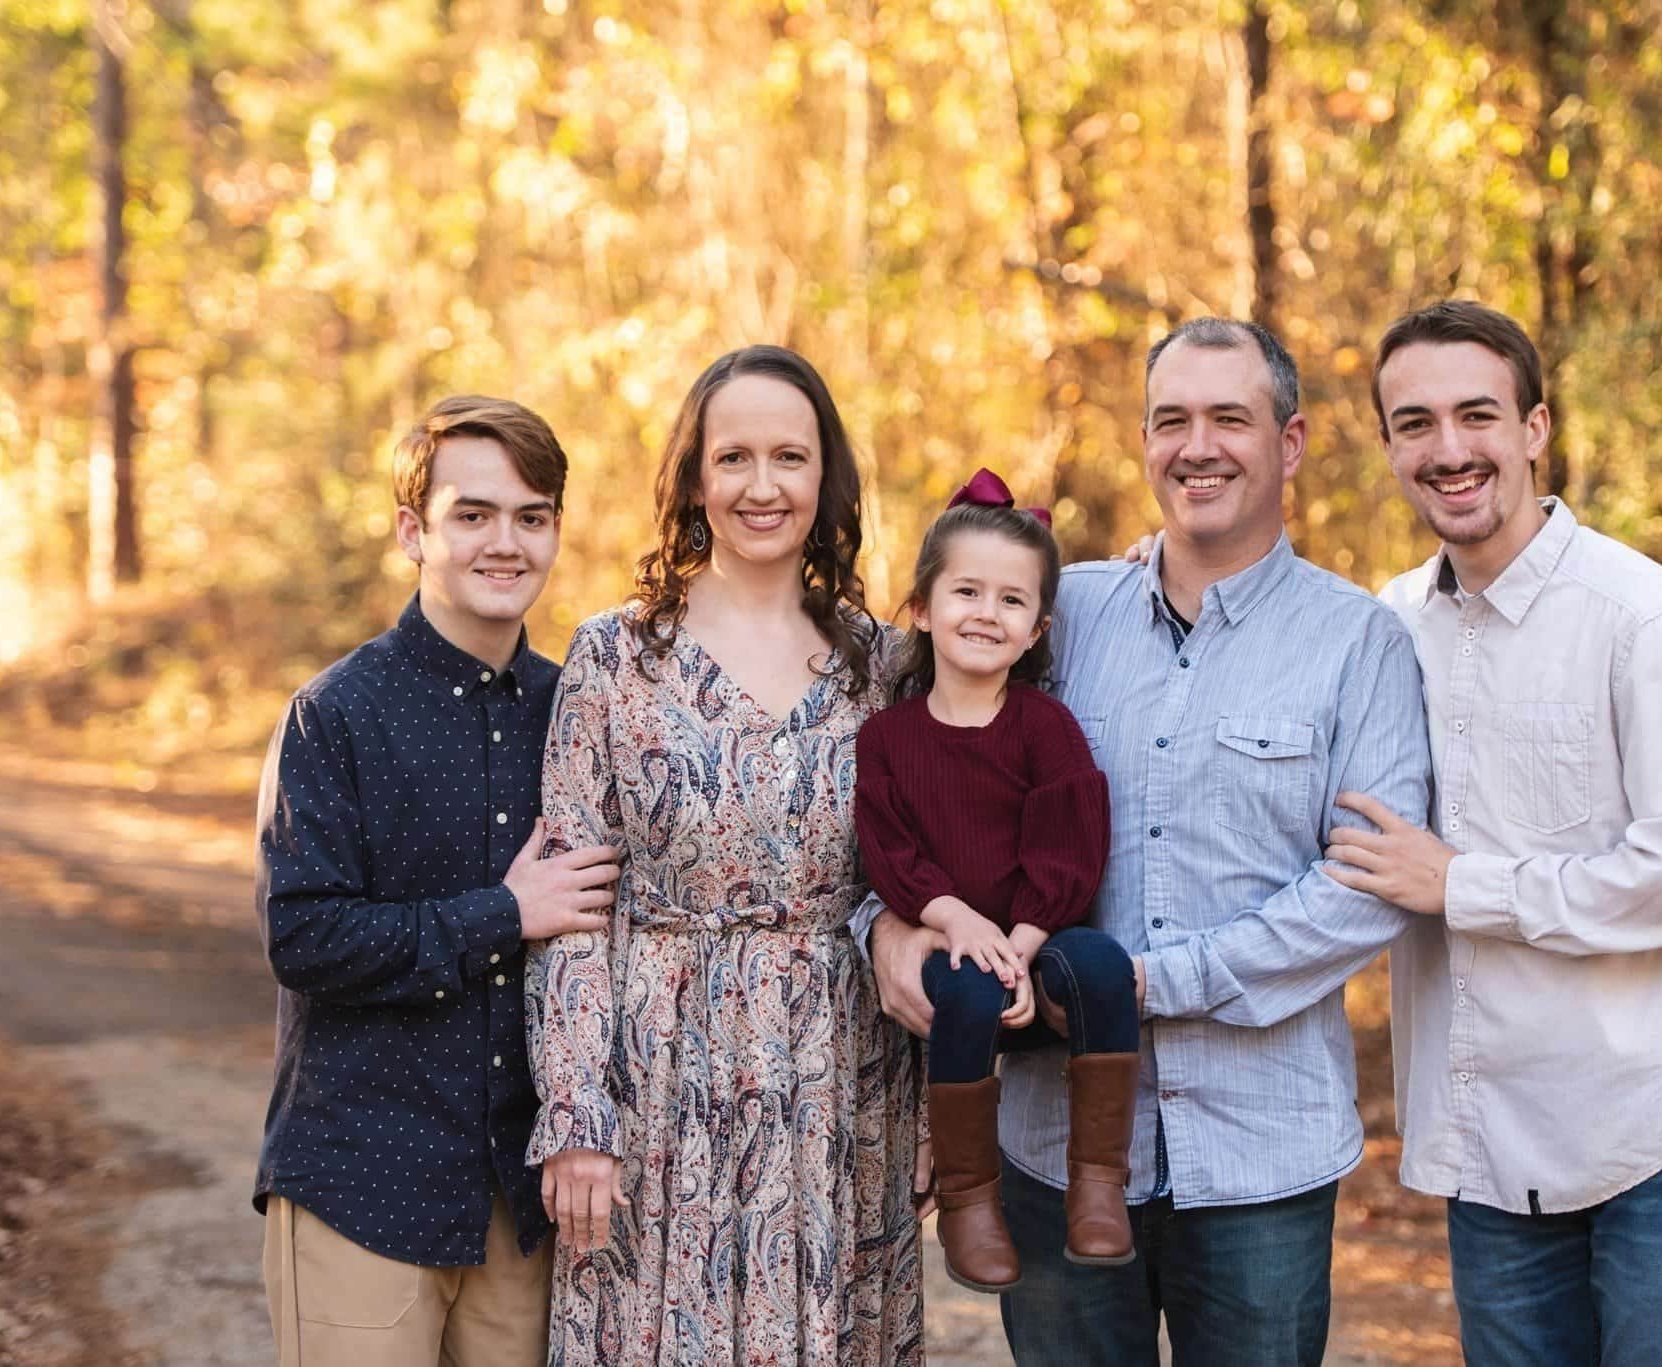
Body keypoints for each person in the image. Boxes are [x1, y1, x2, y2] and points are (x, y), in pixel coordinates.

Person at [865, 318, 1434, 1365]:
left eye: (1230, 417)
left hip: (1257, 1157)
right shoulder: (1059, 612)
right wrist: (889, 930)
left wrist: (1140, 981)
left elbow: (1362, 889)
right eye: (1171, 419)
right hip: (1048, 1150)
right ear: (1143, 440)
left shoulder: (1358, 643)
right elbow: (915, 779)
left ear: (1290, 442)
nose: (1197, 445)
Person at [1327, 299, 1662, 1366]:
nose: (1448, 448)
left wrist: (1461, 883)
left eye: (1475, 414)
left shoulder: (1642, 618)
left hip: (1653, 1122)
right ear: (1387, 447)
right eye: (1414, 423)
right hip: (1490, 1135)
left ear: (1533, 429)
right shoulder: (1384, 627)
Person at [525, 345, 926, 1365]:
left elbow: (923, 880)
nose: (760, 484)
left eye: (787, 456)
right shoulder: (615, 656)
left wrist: (938, 1111)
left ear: (824, 478)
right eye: (733, 455)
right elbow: (569, 905)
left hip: (838, 1079)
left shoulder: (880, 665)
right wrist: (576, 1112)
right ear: (694, 478)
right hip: (656, 1072)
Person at [254, 396, 623, 1366]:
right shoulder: (333, 714)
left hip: (521, 1197)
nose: (506, 542)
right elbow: (306, 937)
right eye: (473, 513)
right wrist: (504, 913)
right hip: (361, 1179)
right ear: (412, 530)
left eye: (531, 516)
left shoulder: (578, 711)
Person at [855, 469, 1135, 1296]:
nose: (986, 612)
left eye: (1011, 600)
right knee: (968, 992)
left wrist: (1023, 940)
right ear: (921, 607)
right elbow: (890, 848)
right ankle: (971, 1200)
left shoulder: (1045, 725)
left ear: (1038, 627)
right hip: (952, 943)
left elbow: (1071, 842)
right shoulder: (888, 738)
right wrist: (953, 922)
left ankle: (1096, 1185)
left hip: (1037, 940)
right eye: (966, 590)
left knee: (1107, 967)